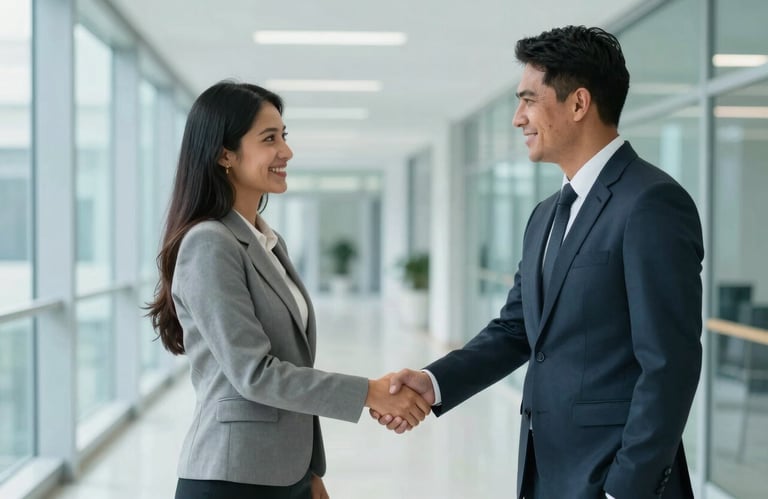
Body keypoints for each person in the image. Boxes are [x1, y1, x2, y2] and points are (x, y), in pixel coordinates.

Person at [372, 26, 704, 499]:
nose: (517, 118)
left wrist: (627, 487)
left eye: (528, 100)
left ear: (578, 103)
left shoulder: (651, 203)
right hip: (545, 470)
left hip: (616, 478)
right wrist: (432, 382)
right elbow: (517, 329)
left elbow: (670, 364)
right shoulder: (546, 214)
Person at [147, 81, 430, 499]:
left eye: (284, 136)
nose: (286, 151)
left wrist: (310, 470)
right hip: (233, 478)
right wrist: (369, 392)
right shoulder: (209, 243)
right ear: (224, 154)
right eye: (269, 139)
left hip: (283, 473)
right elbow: (254, 373)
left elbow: (291, 359)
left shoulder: (266, 239)